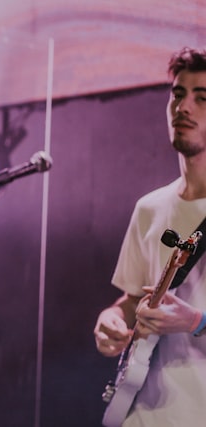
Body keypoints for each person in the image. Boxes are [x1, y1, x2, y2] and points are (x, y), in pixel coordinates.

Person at [93, 46, 206, 425]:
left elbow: (191, 319)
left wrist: (195, 322)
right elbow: (132, 300)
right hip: (142, 414)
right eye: (178, 94)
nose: (184, 107)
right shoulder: (150, 208)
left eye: (202, 98)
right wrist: (111, 319)